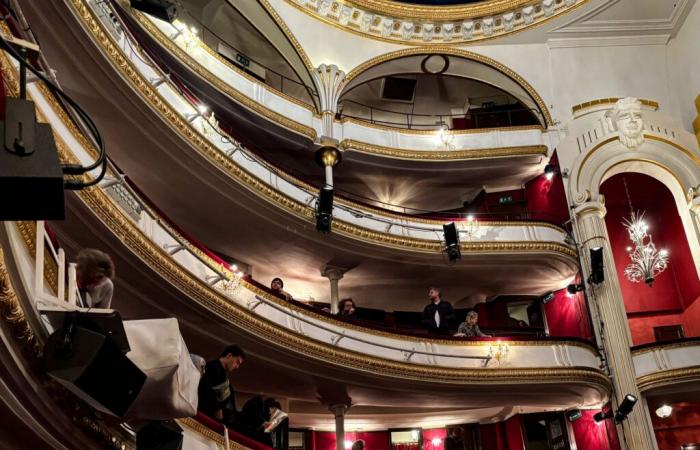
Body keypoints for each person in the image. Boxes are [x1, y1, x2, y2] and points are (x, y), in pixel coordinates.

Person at [197, 345, 246, 426]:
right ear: (229, 355)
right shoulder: (212, 366)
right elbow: (204, 388)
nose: (237, 367)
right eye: (237, 362)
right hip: (202, 416)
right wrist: (216, 408)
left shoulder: (224, 377)